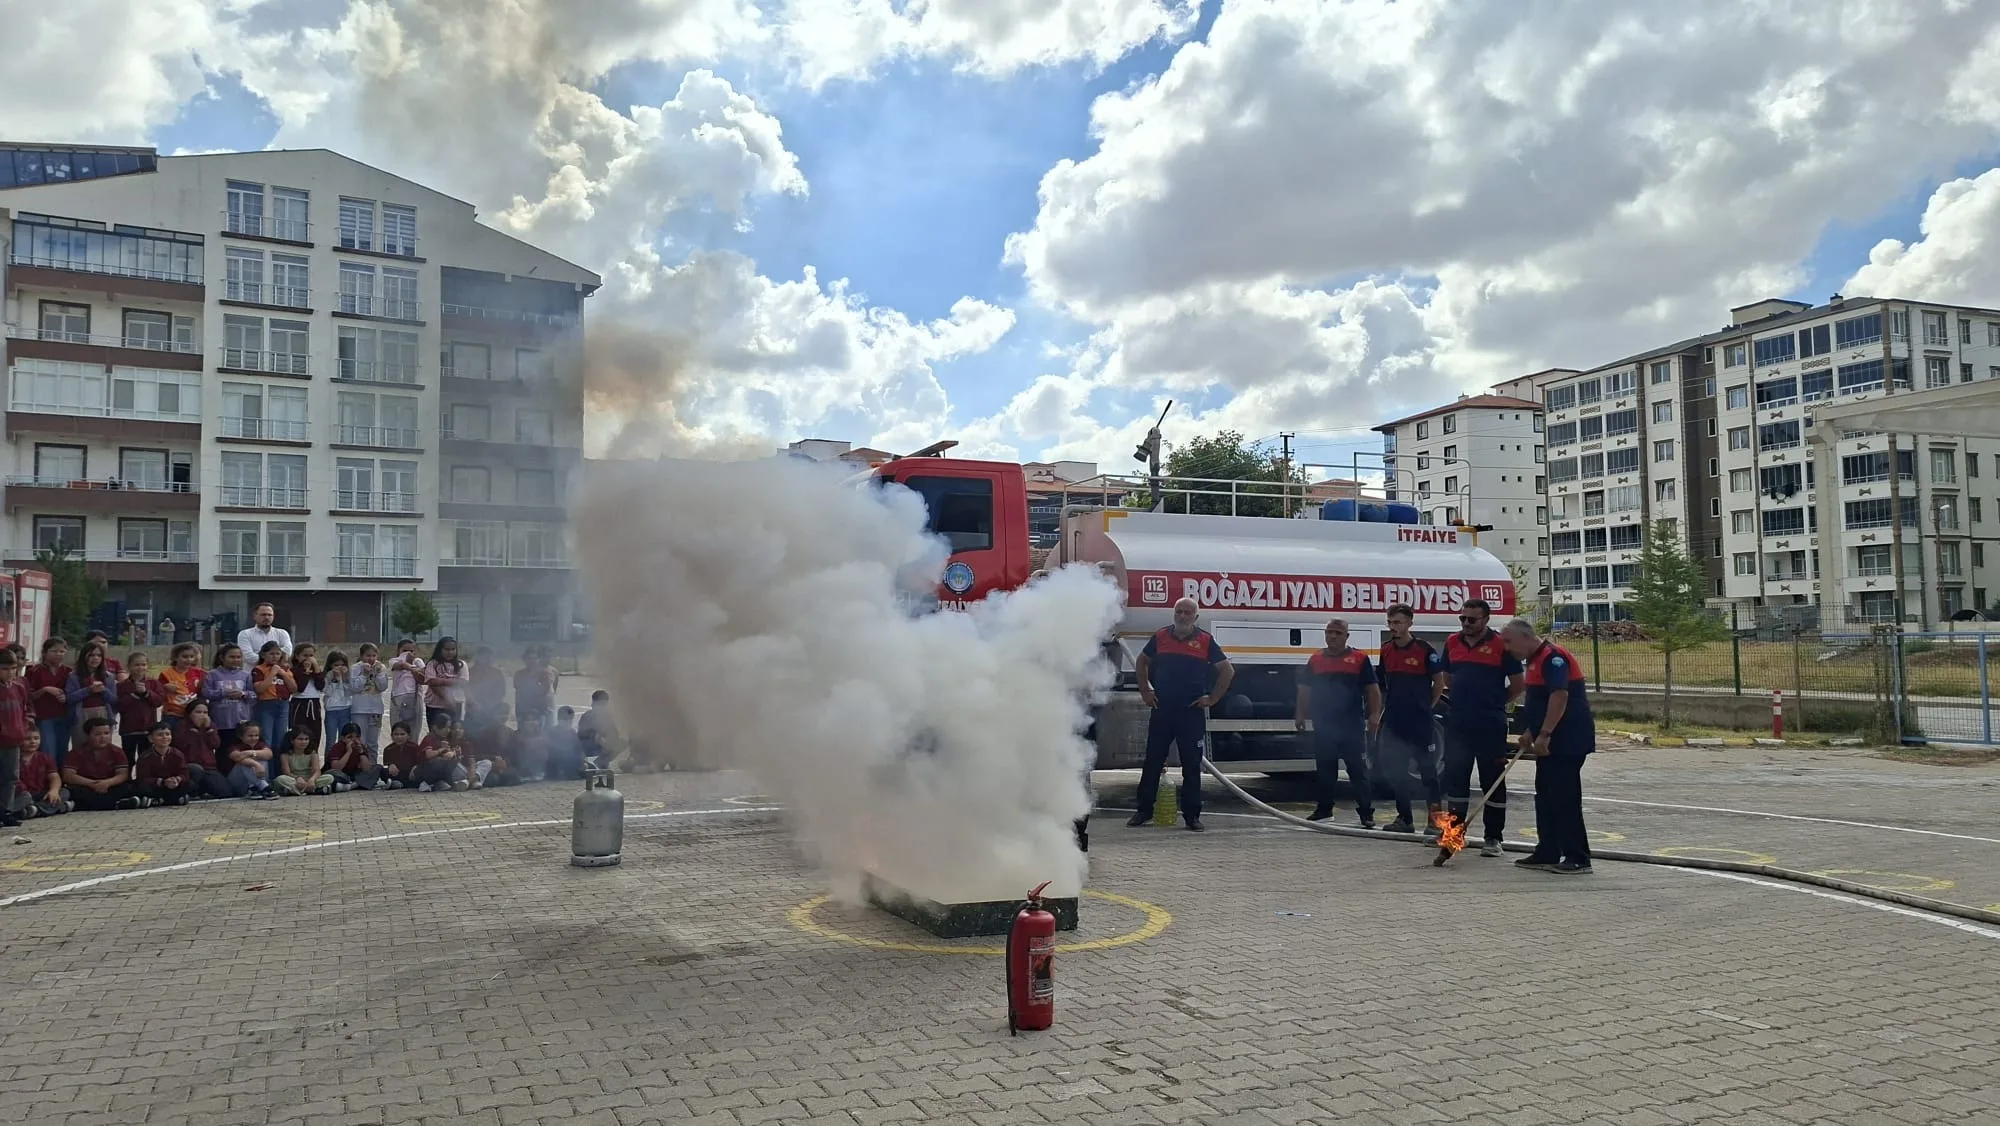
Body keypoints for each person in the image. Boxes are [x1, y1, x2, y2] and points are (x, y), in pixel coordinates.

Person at [1129, 597, 1234, 833]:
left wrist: (1213, 699)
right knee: (1153, 761)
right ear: (1174, 614)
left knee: (1191, 765)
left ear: (1196, 618)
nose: (1183, 616)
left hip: (1191, 712)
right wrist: (1145, 690)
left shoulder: (1205, 641)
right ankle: (1143, 810)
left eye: (1188, 613)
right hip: (1162, 709)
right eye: (1179, 611)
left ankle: (1192, 816)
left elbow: (1227, 670)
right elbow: (1142, 661)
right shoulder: (1161, 636)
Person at [1503, 619, 1596, 875]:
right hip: (1549, 740)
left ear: (1525, 637)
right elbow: (1541, 702)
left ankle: (1577, 856)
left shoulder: (1552, 657)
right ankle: (1548, 850)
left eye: (1509, 641)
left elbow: (1559, 695)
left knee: (1564, 798)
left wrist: (1544, 733)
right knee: (1545, 796)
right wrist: (1530, 731)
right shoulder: (1533, 660)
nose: (1506, 647)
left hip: (1567, 740)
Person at [1439, 598, 1523, 858]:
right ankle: (1453, 836)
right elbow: (1448, 677)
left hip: (1490, 725)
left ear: (1486, 620)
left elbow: (1519, 683)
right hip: (1459, 723)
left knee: (1493, 782)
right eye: (1462, 618)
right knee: (1456, 782)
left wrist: (1496, 702)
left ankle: (1493, 837)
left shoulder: (1500, 645)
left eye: (1471, 619)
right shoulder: (1452, 642)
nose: (1465, 623)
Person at [1295, 619, 1381, 828]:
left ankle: (1366, 813)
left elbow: (1372, 689)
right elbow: (1305, 689)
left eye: (1337, 633)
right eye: (1329, 632)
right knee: (1325, 770)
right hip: (1324, 724)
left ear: (1346, 636)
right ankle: (1324, 810)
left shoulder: (1359, 659)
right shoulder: (1315, 659)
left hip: (1351, 724)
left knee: (1357, 771)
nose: (1332, 636)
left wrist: (1375, 714)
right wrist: (1300, 714)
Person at [1376, 604, 1448, 835]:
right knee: (1397, 772)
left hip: (1420, 722)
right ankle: (1404, 819)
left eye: (1397, 622)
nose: (1393, 627)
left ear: (1409, 623)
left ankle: (1435, 821)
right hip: (1395, 721)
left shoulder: (1424, 650)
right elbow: (1381, 684)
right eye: (1390, 622)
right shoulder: (1386, 650)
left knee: (1428, 773)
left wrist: (1428, 708)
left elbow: (1438, 683)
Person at [63, 718, 148, 810]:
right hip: (87, 786)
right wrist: (92, 784)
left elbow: (122, 775)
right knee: (72, 791)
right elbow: (68, 775)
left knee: (130, 787)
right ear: (88, 735)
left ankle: (78, 806)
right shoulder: (76, 752)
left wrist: (107, 783)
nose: (103, 737)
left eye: (106, 733)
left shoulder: (117, 751)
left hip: (109, 786)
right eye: (97, 734)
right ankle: (118, 804)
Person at [173, 701, 234, 800]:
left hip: (208, 767)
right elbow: (180, 745)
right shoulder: (182, 725)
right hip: (190, 766)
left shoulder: (211, 725)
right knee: (196, 771)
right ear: (190, 713)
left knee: (225, 792)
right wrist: (195, 729)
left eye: (205, 712)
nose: (202, 715)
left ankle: (205, 791)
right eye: (198, 712)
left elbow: (215, 744)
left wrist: (208, 729)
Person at [27, 637, 72, 769]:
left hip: (64, 716)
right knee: (48, 750)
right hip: (44, 717)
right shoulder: (35, 671)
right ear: (45, 653)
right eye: (54, 651)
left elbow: (74, 692)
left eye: (62, 651)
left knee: (62, 750)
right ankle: (47, 780)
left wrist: (66, 697)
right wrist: (44, 690)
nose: (59, 654)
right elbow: (28, 696)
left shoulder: (68, 672)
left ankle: (61, 781)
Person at [66, 641, 118, 753]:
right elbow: (69, 698)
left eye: (98, 655)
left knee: (103, 748)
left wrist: (104, 690)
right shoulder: (74, 676)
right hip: (81, 714)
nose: (95, 658)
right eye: (91, 655)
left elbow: (114, 700)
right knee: (80, 748)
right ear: (84, 657)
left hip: (103, 713)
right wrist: (88, 690)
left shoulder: (108, 676)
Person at [0, 647, 33, 827]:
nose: (10, 672)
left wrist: (24, 728)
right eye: (5, 669)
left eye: (13, 668)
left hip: (14, 740)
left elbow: (25, 710)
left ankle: (6, 811)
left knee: (11, 777)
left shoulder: (19, 688)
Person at [202, 644, 255, 751]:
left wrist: (243, 694)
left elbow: (254, 695)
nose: (235, 660)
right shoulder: (213, 674)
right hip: (220, 721)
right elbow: (206, 692)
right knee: (222, 751)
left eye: (238, 657)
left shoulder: (245, 675)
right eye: (232, 657)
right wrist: (223, 692)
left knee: (240, 750)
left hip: (241, 721)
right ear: (222, 658)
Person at [118, 652, 162, 764]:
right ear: (129, 667)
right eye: (136, 665)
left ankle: (143, 780)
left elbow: (159, 702)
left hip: (148, 728)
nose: (140, 668)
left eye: (143, 664)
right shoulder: (122, 685)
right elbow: (119, 706)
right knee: (128, 759)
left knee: (146, 758)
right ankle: (127, 780)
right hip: (129, 729)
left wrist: (147, 693)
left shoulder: (153, 683)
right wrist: (134, 695)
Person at [134, 723, 193, 806]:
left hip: (173, 785)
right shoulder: (145, 757)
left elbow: (184, 773)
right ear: (151, 739)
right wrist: (162, 782)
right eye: (160, 735)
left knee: (190, 784)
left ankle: (158, 801)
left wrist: (177, 780)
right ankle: (173, 799)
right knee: (141, 788)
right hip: (157, 786)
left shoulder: (178, 754)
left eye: (167, 734)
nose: (165, 737)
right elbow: (142, 778)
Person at [16, 729, 69, 818]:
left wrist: (54, 790)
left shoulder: (45, 757)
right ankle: (61, 807)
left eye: (36, 738)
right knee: (23, 798)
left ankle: (35, 809)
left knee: (64, 792)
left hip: (41, 794)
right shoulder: (14, 758)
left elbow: (54, 777)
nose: (33, 742)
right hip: (23, 794)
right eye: (28, 739)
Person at [347, 643, 390, 750]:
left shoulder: (381, 667)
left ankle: (373, 765)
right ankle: (361, 765)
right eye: (368, 655)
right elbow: (354, 688)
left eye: (374, 656)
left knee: (373, 742)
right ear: (362, 656)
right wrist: (364, 674)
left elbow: (383, 687)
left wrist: (378, 674)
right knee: (360, 741)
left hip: (376, 709)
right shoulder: (355, 668)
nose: (371, 658)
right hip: (359, 709)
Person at [422, 637, 468, 735]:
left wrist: (441, 681)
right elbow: (431, 682)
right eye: (447, 649)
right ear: (440, 650)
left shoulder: (461, 665)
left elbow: (463, 682)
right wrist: (447, 697)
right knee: (436, 734)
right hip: (434, 706)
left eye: (453, 649)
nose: (450, 652)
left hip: (456, 705)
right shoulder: (433, 664)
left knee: (454, 733)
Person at [157, 643, 205, 733]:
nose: (188, 659)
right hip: (173, 714)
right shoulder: (166, 674)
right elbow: (158, 691)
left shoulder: (199, 673)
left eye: (191, 656)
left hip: (192, 714)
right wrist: (164, 687)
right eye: (185, 656)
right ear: (175, 657)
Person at [273, 726, 332, 796]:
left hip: (309, 779)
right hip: (294, 779)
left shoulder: (312, 752)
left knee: (329, 777)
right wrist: (298, 778)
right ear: (292, 740)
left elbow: (317, 771)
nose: (304, 742)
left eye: (306, 739)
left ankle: (295, 791)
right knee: (280, 779)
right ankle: (313, 790)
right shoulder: (286, 754)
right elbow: (286, 772)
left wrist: (312, 780)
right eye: (300, 739)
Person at [225, 721, 277, 799]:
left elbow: (269, 754)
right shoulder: (235, 746)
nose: (254, 738)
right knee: (244, 762)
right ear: (241, 736)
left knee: (263, 759)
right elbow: (237, 757)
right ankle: (263, 786)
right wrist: (256, 764)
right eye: (250, 736)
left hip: (258, 779)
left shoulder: (260, 744)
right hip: (239, 783)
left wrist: (250, 752)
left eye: (256, 735)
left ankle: (254, 788)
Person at [290, 643, 326, 752]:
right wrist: (305, 671)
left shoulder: (316, 670)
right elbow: (300, 687)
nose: (308, 658)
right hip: (300, 703)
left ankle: (313, 757)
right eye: (305, 655)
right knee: (299, 732)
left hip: (314, 703)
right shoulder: (295, 670)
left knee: (315, 733)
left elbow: (320, 686)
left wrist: (316, 669)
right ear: (297, 656)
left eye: (311, 655)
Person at [325, 723, 381, 791]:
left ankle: (352, 785)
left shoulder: (361, 747)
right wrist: (348, 752)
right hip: (340, 775)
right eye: (350, 737)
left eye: (357, 737)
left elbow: (367, 769)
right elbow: (336, 768)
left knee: (378, 768)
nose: (354, 740)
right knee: (332, 775)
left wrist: (361, 752)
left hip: (354, 775)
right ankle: (357, 784)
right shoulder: (338, 747)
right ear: (343, 738)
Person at [513, 646, 558, 727]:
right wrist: (518, 709)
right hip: (523, 709)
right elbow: (519, 692)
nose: (532, 661)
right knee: (522, 733)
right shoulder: (519, 674)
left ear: (539, 659)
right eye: (529, 658)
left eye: (535, 658)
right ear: (524, 659)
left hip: (540, 710)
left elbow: (545, 691)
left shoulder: (544, 673)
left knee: (542, 733)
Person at [388, 639, 425, 736]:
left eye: (412, 651)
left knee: (414, 730)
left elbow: (423, 677)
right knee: (397, 728)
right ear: (398, 651)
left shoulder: (418, 661)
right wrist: (409, 664)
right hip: (398, 697)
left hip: (416, 696)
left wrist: (414, 665)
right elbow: (400, 665)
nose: (408, 653)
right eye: (405, 651)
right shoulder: (394, 660)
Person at [380, 721, 423, 790]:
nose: (399, 737)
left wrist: (415, 768)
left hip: (411, 774)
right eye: (396, 734)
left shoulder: (414, 747)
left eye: (402, 734)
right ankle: (397, 783)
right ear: (392, 736)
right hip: (397, 774)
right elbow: (387, 764)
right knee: (382, 771)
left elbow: (420, 762)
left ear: (408, 736)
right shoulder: (388, 749)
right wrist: (391, 765)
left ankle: (398, 784)